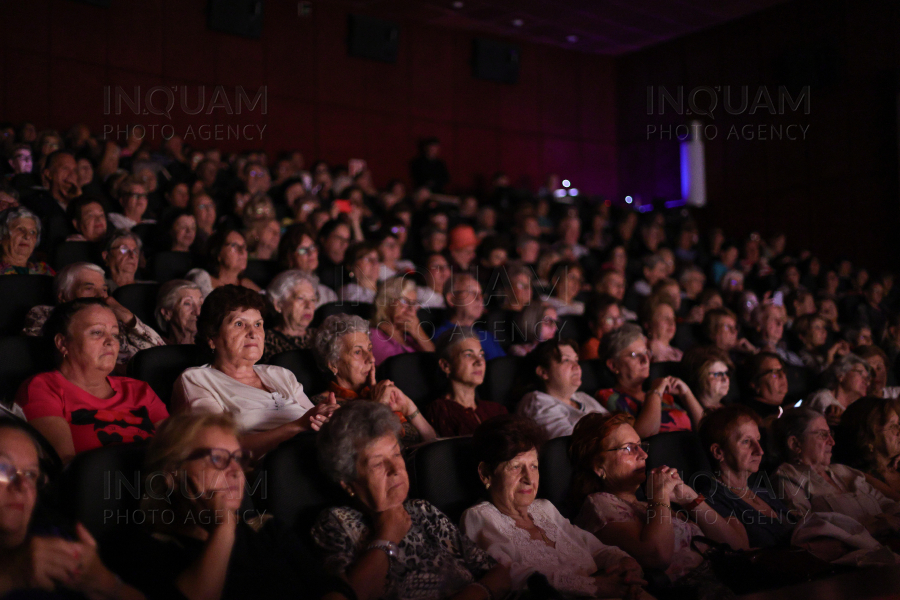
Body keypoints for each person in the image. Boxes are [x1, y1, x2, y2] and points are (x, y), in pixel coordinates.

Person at [101, 413, 338, 600]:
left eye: (237, 459)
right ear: (173, 476)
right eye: (217, 458)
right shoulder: (142, 550)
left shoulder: (266, 529)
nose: (236, 471)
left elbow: (328, 587)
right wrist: (223, 527)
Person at [311, 401, 510, 600]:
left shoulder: (422, 510)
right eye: (378, 463)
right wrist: (386, 537)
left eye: (397, 454)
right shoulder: (334, 523)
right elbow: (347, 595)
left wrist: (474, 593)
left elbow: (498, 573)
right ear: (348, 482)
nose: (396, 469)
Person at [461, 415, 648, 598]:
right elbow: (513, 577)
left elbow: (597, 549)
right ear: (486, 474)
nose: (529, 479)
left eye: (534, 466)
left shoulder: (544, 508)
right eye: (516, 467)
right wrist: (595, 586)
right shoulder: (480, 517)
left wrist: (625, 563)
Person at [570, 413, 748, 588]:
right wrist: (660, 494)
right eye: (629, 448)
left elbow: (737, 547)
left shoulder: (648, 504)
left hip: (728, 575)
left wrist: (689, 498)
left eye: (641, 446)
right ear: (598, 466)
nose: (644, 455)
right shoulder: (599, 505)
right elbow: (657, 557)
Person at [172, 285, 338, 457]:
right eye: (239, 324)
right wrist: (297, 426)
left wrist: (328, 415)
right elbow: (220, 448)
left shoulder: (280, 374)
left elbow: (314, 420)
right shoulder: (196, 379)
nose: (253, 333)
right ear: (211, 338)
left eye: (258, 324)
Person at [0, 419, 146, 599]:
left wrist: (105, 583)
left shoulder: (59, 543)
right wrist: (10, 575)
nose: (22, 485)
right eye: (3, 468)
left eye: (31, 474)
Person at [15, 298, 169, 463]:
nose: (111, 342)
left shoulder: (140, 389)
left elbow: (176, 450)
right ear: (62, 343)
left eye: (115, 335)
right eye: (97, 332)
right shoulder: (42, 387)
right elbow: (64, 466)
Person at [311, 314, 436, 446]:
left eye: (370, 349)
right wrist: (378, 406)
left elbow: (434, 446)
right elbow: (360, 454)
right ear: (333, 364)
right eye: (358, 352)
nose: (371, 359)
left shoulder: (383, 393)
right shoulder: (322, 408)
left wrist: (409, 407)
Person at [773, 408, 900, 536]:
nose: (832, 442)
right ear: (795, 444)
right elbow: (804, 530)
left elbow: (886, 503)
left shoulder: (842, 470)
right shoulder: (788, 476)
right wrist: (873, 528)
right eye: (823, 435)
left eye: (830, 434)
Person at [22, 262, 164, 373]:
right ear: (64, 296)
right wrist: (119, 369)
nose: (101, 295)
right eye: (89, 288)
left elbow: (159, 352)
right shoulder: (45, 314)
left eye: (104, 289)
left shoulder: (116, 320)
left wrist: (127, 316)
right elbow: (49, 356)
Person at [697, 405, 796, 548]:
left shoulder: (763, 492)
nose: (760, 451)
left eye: (758, 440)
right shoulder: (712, 502)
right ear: (718, 452)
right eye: (746, 441)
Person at [596, 324, 702, 437]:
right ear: (613, 365)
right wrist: (655, 393)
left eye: (646, 353)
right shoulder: (607, 396)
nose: (645, 360)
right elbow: (643, 437)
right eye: (634, 355)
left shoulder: (664, 396)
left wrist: (686, 394)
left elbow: (705, 428)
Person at [517, 339, 608, 439]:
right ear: (543, 372)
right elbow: (571, 444)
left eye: (576, 360)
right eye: (566, 360)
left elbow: (613, 422)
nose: (577, 366)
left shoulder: (581, 396)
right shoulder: (536, 402)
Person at [426, 328, 507, 437]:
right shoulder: (440, 409)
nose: (479, 362)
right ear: (446, 366)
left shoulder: (497, 410)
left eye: (481, 355)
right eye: (468, 355)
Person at [834, 397, 900, 501]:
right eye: (892, 426)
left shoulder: (896, 465)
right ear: (868, 439)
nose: (899, 431)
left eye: (898, 424)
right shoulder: (862, 480)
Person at [433, 273, 506, 361]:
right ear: (451, 299)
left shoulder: (487, 335)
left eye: (481, 294)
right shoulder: (442, 336)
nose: (479, 299)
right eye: (472, 293)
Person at [370, 277, 435, 366]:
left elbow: (437, 362)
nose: (412, 310)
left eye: (414, 304)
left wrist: (418, 333)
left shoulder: (410, 338)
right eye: (405, 301)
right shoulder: (374, 336)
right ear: (386, 302)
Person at [187, 228, 261, 299]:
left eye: (244, 246)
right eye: (234, 245)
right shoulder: (203, 279)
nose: (242, 252)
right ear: (217, 252)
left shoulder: (247, 285)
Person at [261, 270, 318, 362]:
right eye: (300, 298)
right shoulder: (265, 342)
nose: (309, 306)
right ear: (278, 304)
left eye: (312, 299)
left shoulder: (320, 337)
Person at [276, 224, 338, 306]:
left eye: (312, 247)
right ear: (290, 256)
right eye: (302, 250)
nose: (311, 253)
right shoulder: (281, 290)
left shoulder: (328, 294)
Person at [805, 353, 872, 426]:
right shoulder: (823, 399)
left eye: (867, 378)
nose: (867, 382)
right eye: (860, 373)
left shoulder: (861, 409)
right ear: (841, 375)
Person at [0, 206, 54, 275]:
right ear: (1, 235)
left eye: (32, 232)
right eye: (20, 229)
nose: (27, 236)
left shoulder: (44, 271)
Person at [740, 352, 790, 419]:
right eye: (774, 372)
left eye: (783, 370)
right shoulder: (750, 416)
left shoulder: (791, 403)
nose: (782, 376)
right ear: (755, 384)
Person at [683, 348, 733, 413]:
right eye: (718, 374)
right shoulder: (688, 412)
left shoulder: (729, 406)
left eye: (726, 373)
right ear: (701, 377)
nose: (725, 379)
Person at [155, 279, 203, 345]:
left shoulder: (213, 347)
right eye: (187, 303)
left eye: (200, 304)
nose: (198, 312)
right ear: (167, 313)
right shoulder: (157, 351)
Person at [579, 294, 624, 361]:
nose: (616, 324)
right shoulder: (591, 346)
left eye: (618, 318)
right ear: (593, 324)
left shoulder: (620, 343)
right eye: (609, 319)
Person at [643, 298, 683, 362]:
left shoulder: (679, 355)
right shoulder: (641, 347)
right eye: (665, 318)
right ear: (648, 324)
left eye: (673, 319)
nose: (671, 323)